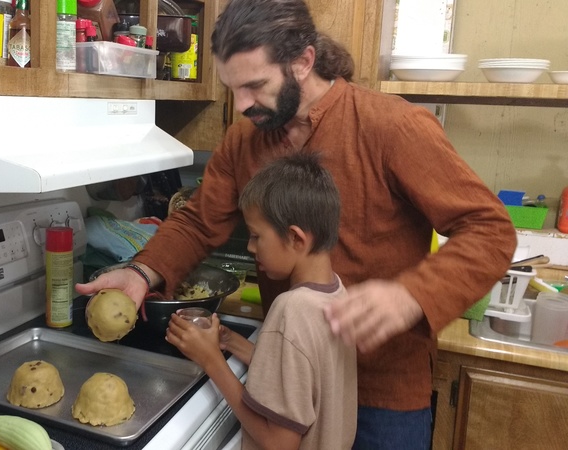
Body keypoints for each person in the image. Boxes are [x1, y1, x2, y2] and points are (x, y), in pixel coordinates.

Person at [76, 0, 517, 447]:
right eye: (233, 88)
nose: (242, 105)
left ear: (303, 62)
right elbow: (197, 223)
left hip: (383, 396)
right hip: (290, 380)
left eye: (255, 85)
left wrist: (411, 296)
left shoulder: (393, 127)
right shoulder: (245, 140)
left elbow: (489, 230)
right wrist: (140, 272)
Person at [167, 153, 357, 449]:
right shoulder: (337, 294)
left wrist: (212, 361)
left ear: (296, 238)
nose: (250, 247)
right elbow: (303, 379)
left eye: (256, 236)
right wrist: (230, 342)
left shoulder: (291, 309)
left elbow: (278, 442)